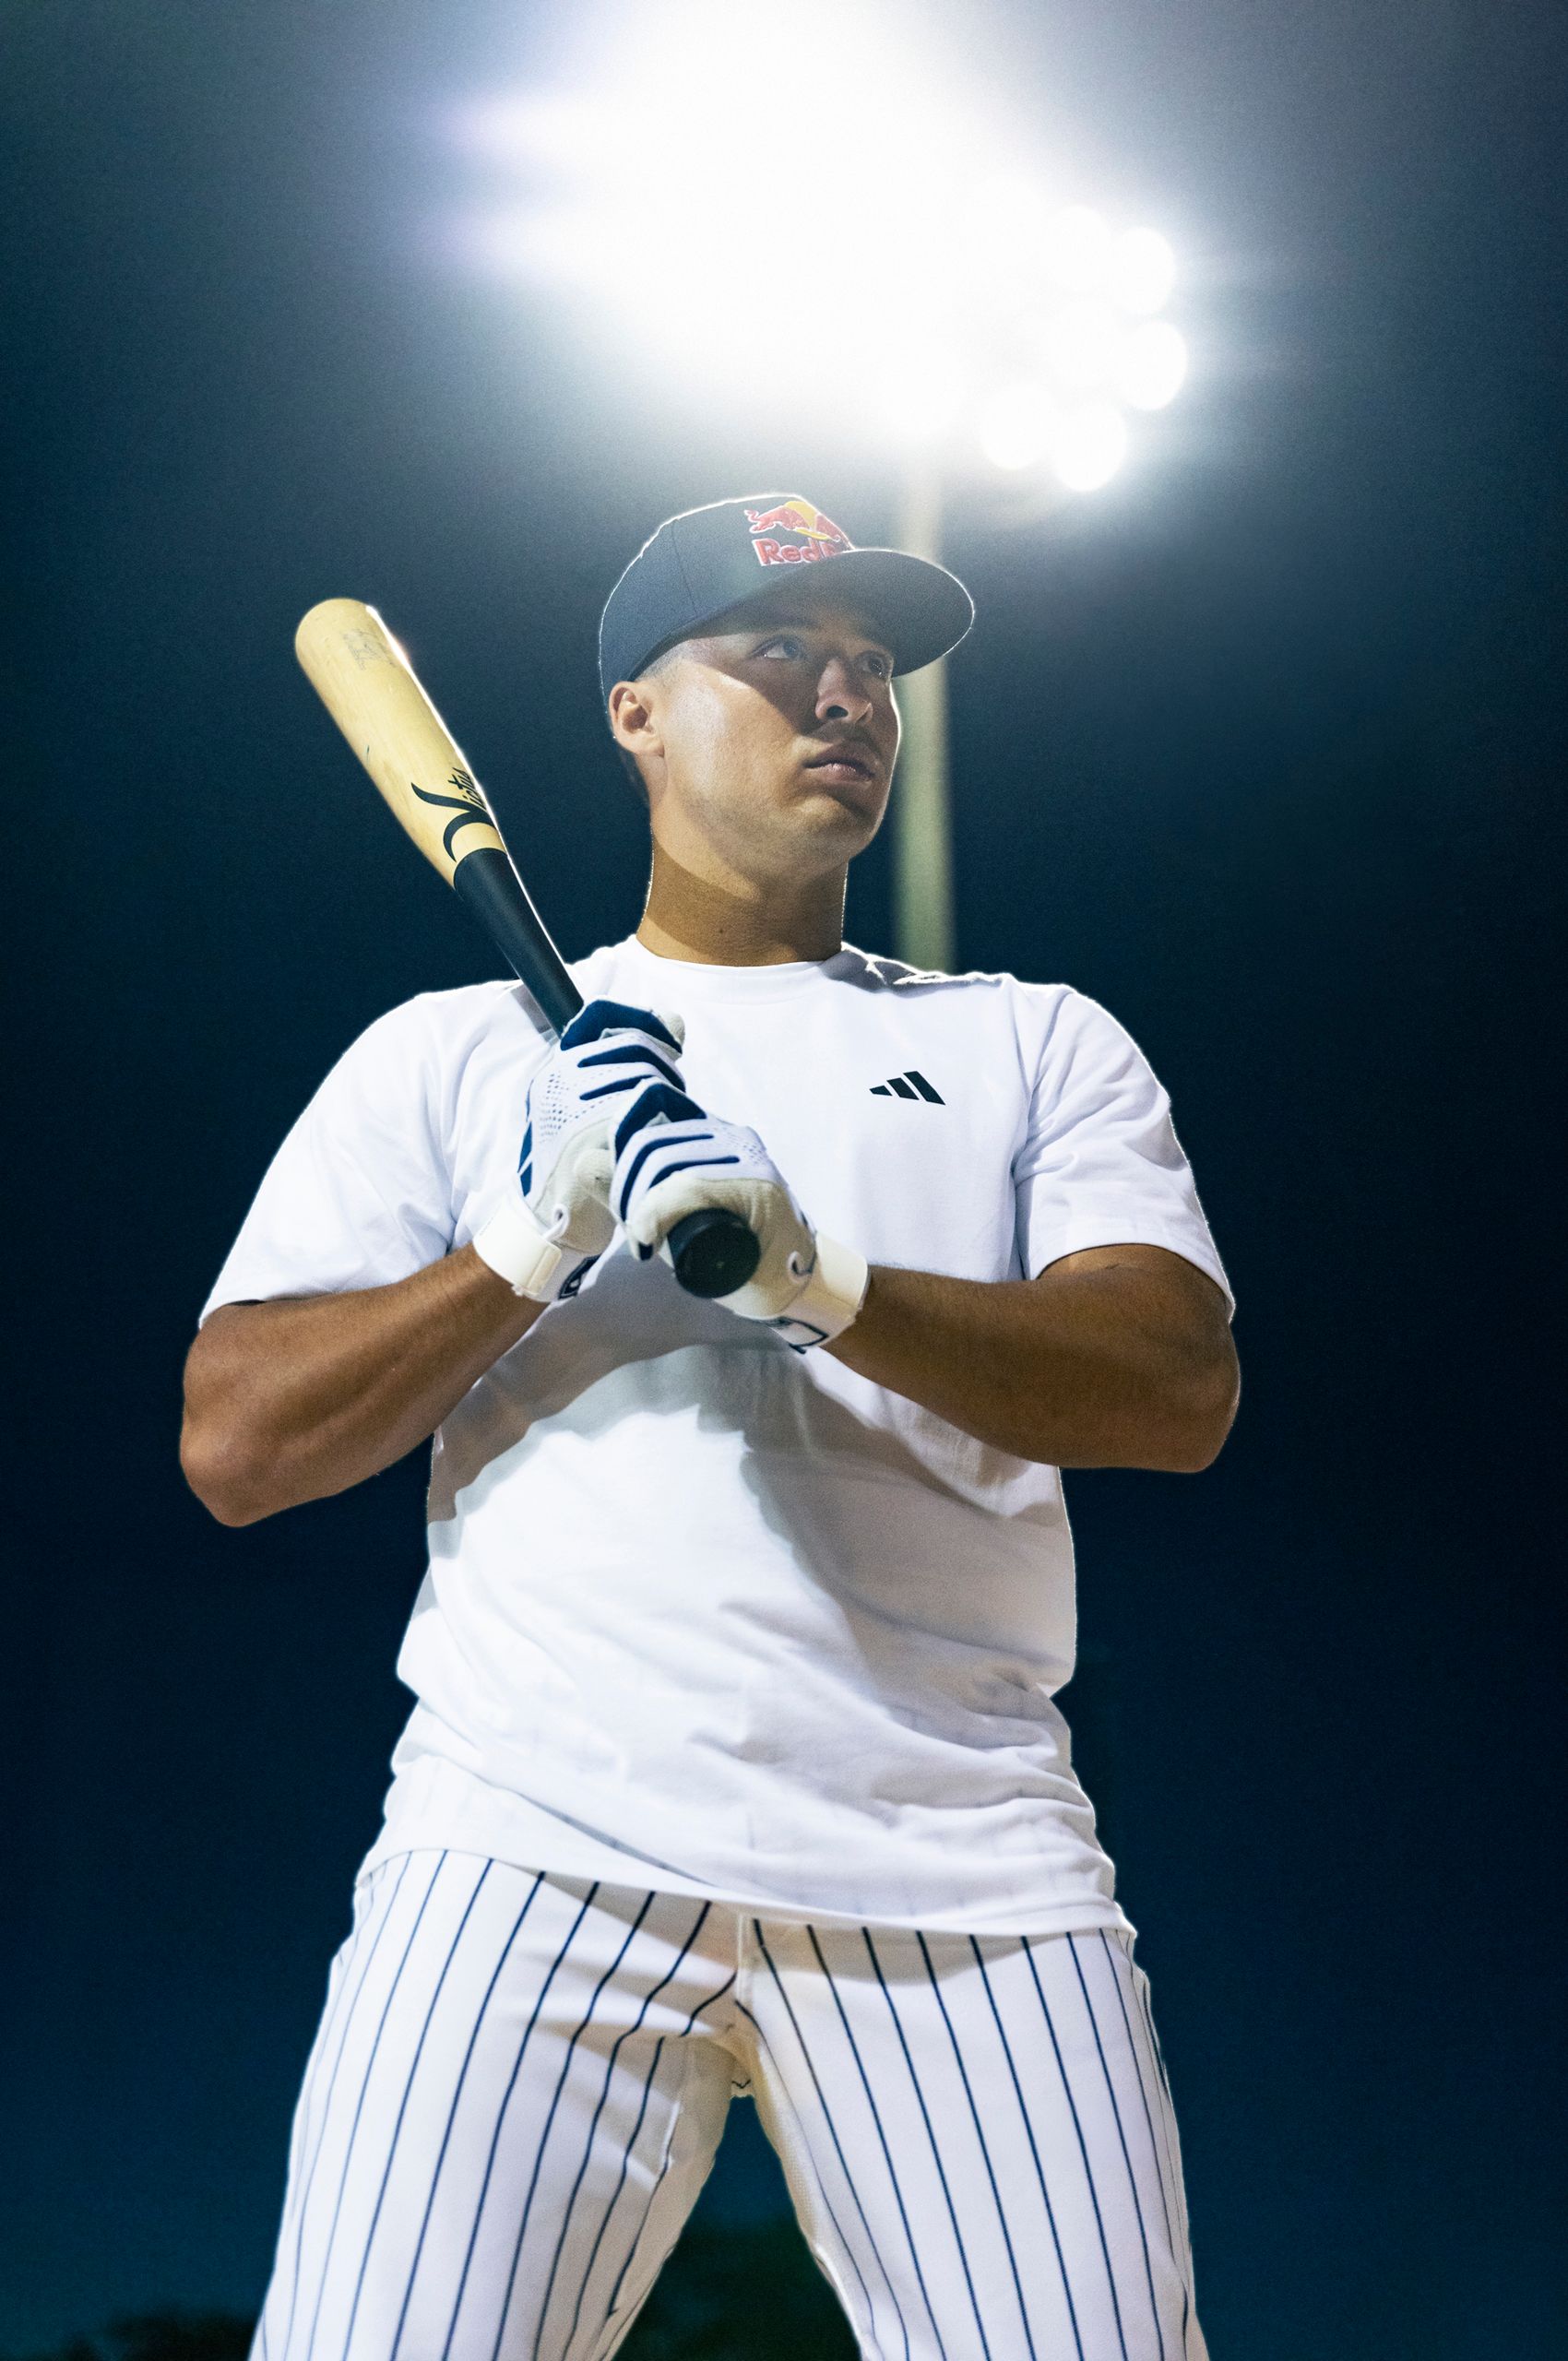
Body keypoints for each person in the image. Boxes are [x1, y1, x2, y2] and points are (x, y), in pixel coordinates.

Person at [183, 491, 1239, 2361]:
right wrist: (522, 1241)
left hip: (960, 1860)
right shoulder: (450, 1053)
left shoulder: (1030, 1036)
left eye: (870, 670)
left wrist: (818, 1271)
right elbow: (240, 1443)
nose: (847, 697)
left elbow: (1168, 1386)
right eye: (780, 656)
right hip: (529, 1839)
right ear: (635, 714)